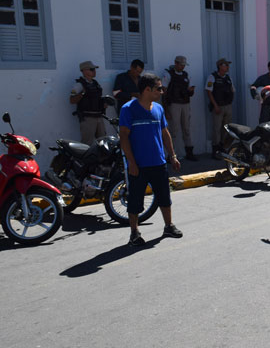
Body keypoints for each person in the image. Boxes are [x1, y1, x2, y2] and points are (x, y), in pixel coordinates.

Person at [119, 73, 182, 246]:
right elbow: (123, 136)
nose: (162, 91)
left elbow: (165, 133)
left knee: (164, 196)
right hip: (138, 164)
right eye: (158, 88)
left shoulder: (158, 109)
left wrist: (173, 155)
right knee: (135, 200)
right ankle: (134, 233)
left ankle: (169, 226)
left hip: (158, 162)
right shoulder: (128, 109)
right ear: (147, 90)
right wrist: (131, 162)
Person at [162, 55, 197, 161]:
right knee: (174, 130)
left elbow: (191, 91)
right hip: (174, 104)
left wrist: (191, 90)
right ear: (176, 63)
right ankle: (171, 154)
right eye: (181, 65)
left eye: (184, 65)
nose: (183, 67)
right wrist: (166, 109)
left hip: (185, 104)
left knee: (186, 129)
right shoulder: (168, 74)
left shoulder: (186, 75)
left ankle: (189, 152)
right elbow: (164, 92)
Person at [69, 60, 109, 145]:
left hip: (98, 116)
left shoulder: (95, 83)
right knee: (87, 143)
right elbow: (72, 100)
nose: (94, 71)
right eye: (92, 69)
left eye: (94, 69)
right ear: (84, 71)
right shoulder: (79, 85)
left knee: (103, 142)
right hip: (87, 118)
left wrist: (103, 104)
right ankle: (85, 158)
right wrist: (82, 93)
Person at [205, 58, 235, 159]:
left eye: (228, 65)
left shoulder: (228, 78)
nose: (228, 67)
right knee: (216, 129)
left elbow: (232, 90)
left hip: (228, 106)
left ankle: (223, 148)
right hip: (218, 106)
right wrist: (215, 105)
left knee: (226, 128)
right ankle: (216, 150)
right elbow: (209, 92)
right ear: (220, 66)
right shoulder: (212, 77)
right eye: (226, 65)